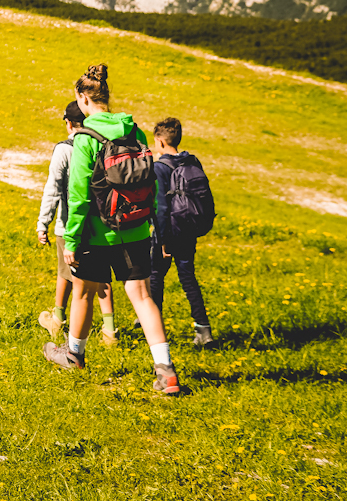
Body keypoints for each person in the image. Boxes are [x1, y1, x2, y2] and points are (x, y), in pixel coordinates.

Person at [42, 64, 183, 396]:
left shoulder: (85, 138)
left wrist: (71, 239)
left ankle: (74, 354)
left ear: (82, 99)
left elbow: (78, 194)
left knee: (83, 292)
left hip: (96, 233)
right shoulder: (135, 132)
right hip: (135, 228)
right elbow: (149, 181)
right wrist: (151, 222)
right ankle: (166, 371)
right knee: (142, 297)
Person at [36, 101, 119, 345]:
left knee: (66, 272)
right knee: (102, 276)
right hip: (101, 223)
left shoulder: (64, 149)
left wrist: (43, 223)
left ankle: (58, 319)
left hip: (70, 223)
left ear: (68, 123)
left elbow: (53, 188)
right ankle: (110, 331)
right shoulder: (103, 143)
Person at [149, 117, 215, 347]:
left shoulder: (160, 168)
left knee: (155, 275)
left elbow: (161, 207)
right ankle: (203, 329)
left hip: (169, 231)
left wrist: (162, 239)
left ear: (160, 141)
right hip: (188, 228)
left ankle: (153, 325)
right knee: (188, 277)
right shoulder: (192, 161)